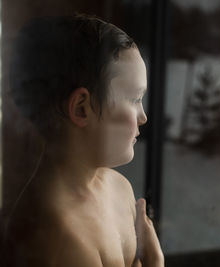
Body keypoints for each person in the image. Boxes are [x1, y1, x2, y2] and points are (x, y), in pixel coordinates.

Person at [1, 14, 164, 267]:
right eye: (134, 99)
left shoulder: (119, 188)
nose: (143, 116)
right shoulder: (57, 235)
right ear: (81, 109)